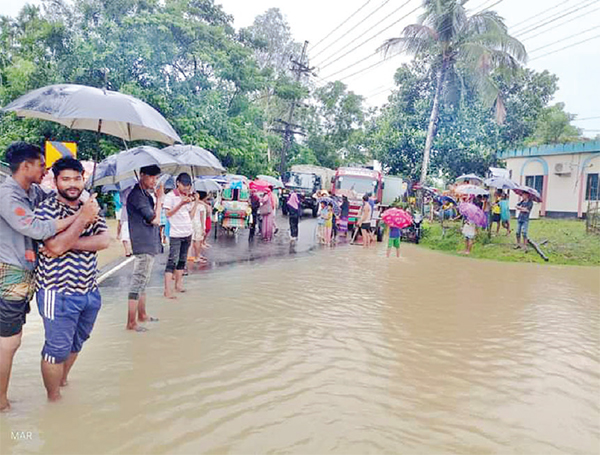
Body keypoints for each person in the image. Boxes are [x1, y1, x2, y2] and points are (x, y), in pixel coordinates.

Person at [0, 142, 97, 411]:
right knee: (8, 341)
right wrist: (81, 216)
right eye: (42, 164)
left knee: (12, 339)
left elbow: (67, 197)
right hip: (10, 272)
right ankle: (1, 402)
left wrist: (80, 192)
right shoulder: (7, 195)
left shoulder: (31, 191)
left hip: (26, 272)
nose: (45, 169)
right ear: (27, 166)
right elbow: (38, 228)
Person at [34, 157, 109, 402]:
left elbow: (103, 241)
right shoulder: (45, 210)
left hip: (89, 290)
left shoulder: (90, 206)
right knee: (56, 350)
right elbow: (53, 247)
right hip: (57, 291)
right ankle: (53, 401)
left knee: (78, 341)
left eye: (77, 178)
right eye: (65, 179)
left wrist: (65, 244)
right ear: (55, 181)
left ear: (83, 179)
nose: (72, 184)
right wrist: (82, 221)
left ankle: (63, 380)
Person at [126, 164, 164, 332]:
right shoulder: (137, 196)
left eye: (156, 178)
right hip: (143, 243)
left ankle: (142, 315)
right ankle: (131, 322)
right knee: (138, 281)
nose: (154, 181)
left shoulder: (144, 195)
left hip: (148, 242)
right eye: (152, 177)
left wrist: (156, 198)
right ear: (142, 175)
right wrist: (161, 200)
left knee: (143, 281)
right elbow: (154, 219)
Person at [162, 173, 197, 299]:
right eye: (184, 186)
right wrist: (180, 204)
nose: (186, 188)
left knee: (182, 260)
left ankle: (178, 285)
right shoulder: (170, 197)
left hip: (187, 232)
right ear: (178, 183)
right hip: (175, 233)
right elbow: (168, 214)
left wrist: (196, 201)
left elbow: (191, 216)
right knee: (172, 260)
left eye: (188, 186)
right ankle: (167, 290)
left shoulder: (187, 197)